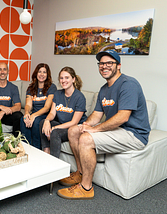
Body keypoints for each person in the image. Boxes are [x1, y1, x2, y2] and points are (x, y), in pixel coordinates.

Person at [57, 50, 151, 200]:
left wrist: (94, 130)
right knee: (74, 130)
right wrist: (85, 125)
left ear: (118, 65)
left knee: (86, 139)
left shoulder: (128, 84)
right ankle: (80, 173)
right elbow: (97, 114)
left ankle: (86, 188)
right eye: (101, 63)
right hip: (118, 130)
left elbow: (123, 117)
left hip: (134, 133)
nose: (104, 66)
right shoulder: (104, 89)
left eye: (109, 63)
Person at [40, 67, 87, 157]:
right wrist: (47, 121)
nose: (63, 80)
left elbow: (74, 122)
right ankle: (46, 153)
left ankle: (54, 162)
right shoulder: (57, 94)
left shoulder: (79, 97)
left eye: (67, 78)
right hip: (62, 124)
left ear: (73, 79)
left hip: (73, 128)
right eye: (61, 78)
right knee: (42, 123)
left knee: (55, 132)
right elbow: (52, 113)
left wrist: (55, 128)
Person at [20, 63, 57, 149]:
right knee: (23, 119)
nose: (41, 74)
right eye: (39, 71)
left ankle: (36, 148)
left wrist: (33, 115)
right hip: (35, 114)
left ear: (47, 75)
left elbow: (47, 107)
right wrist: (26, 113)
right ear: (36, 73)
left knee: (36, 122)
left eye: (44, 72)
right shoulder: (31, 88)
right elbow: (28, 104)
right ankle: (25, 147)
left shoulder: (52, 87)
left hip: (45, 115)